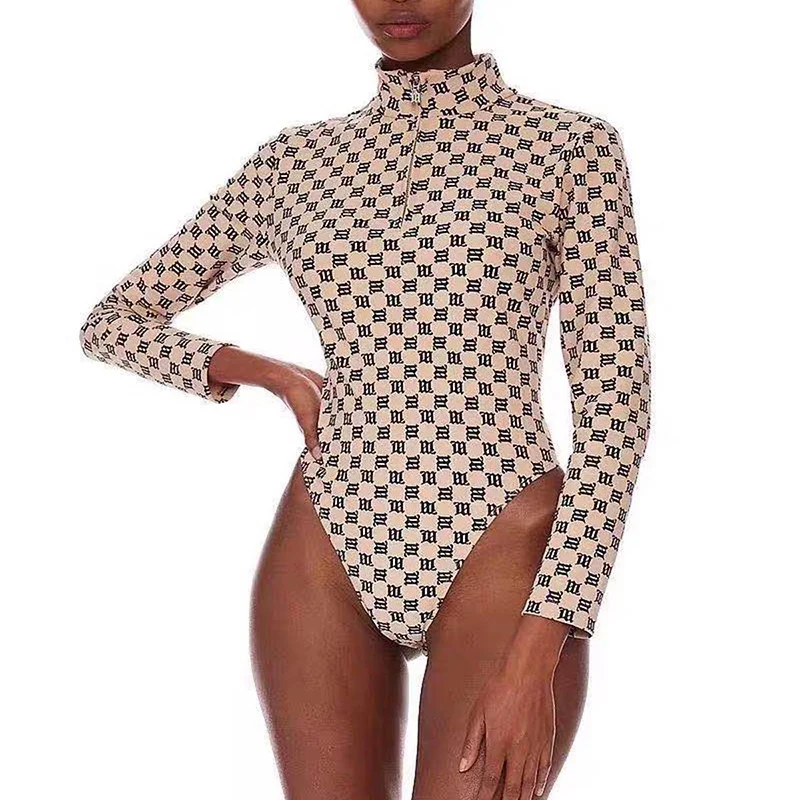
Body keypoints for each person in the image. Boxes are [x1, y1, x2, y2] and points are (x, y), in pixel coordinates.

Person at [79, 1, 651, 797]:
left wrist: (543, 644)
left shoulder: (570, 147)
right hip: (327, 537)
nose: (395, 2)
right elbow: (111, 323)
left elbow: (616, 411)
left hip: (504, 536)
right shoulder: (295, 163)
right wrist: (263, 371)